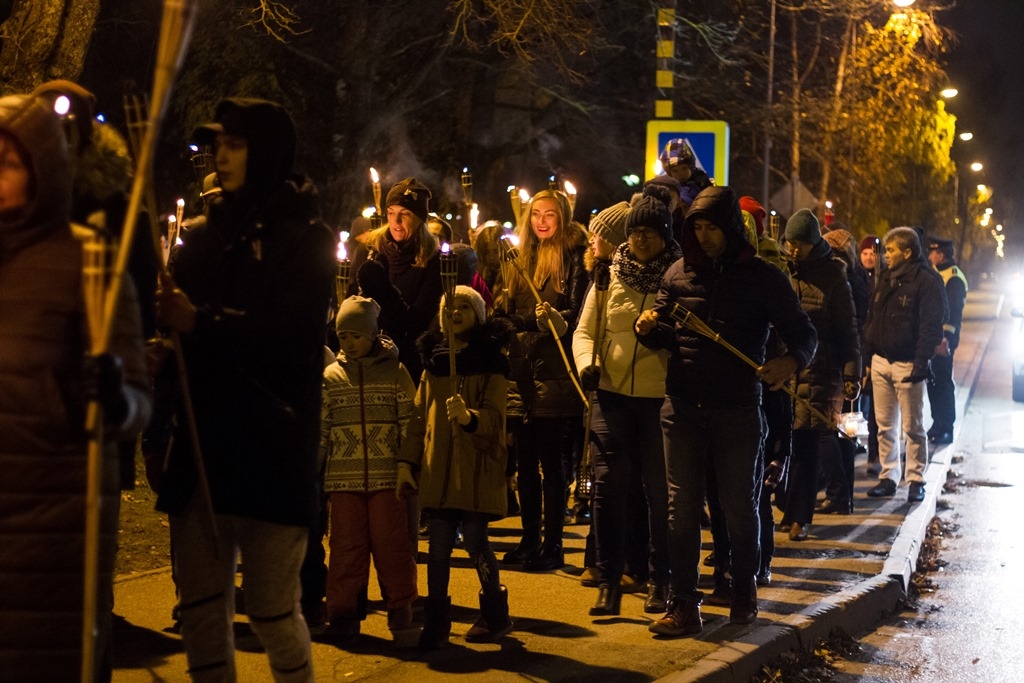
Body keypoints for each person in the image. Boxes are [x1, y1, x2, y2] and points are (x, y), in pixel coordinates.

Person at [154, 97, 335, 682]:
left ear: (267, 153)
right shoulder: (202, 238)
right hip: (204, 450)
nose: (221, 156)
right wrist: (164, 350)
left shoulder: (306, 239)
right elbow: (182, 337)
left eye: (235, 145)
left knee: (272, 611)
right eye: (218, 145)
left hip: (272, 450)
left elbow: (293, 338)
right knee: (203, 611)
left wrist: (200, 323)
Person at [0, 89, 151, 681]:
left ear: (44, 168)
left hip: (49, 532)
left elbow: (137, 399)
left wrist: (112, 396)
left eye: (8, 162)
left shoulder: (88, 264)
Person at [635, 186, 817, 636]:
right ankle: (684, 603)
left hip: (737, 409)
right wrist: (648, 329)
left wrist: (789, 362)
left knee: (738, 507)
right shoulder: (678, 273)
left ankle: (743, 590)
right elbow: (666, 333)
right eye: (696, 226)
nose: (704, 235)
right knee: (680, 510)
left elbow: (803, 334)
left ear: (732, 228)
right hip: (682, 407)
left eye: (711, 226)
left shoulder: (762, 277)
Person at [572, 194, 682, 618]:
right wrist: (588, 365)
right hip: (612, 396)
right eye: (634, 232)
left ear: (664, 237)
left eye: (649, 233)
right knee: (608, 489)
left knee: (659, 494)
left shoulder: (676, 278)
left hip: (658, 401)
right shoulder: (607, 276)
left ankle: (660, 580)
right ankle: (609, 581)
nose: (639, 240)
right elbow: (585, 331)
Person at [397, 286, 516, 649]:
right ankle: (437, 622)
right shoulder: (434, 364)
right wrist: (407, 462)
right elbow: (419, 419)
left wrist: (469, 418)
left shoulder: (491, 362)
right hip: (439, 472)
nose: (456, 313)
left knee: (477, 543)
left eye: (465, 307)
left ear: (479, 315)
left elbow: (496, 420)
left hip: (475, 472)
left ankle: (495, 614)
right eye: (449, 307)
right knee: (437, 548)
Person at [497, 188, 589, 572]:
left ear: (562, 217)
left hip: (554, 372)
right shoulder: (521, 259)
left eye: (550, 214)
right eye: (536, 213)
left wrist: (547, 319)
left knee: (551, 465)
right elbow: (510, 308)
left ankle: (553, 544)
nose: (542, 221)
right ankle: (529, 538)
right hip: (522, 373)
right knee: (524, 463)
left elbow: (575, 310)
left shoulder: (573, 258)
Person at [319, 296, 419, 641]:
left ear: (373, 334)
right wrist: (314, 467)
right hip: (343, 478)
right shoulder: (331, 376)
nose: (349, 343)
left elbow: (410, 422)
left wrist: (408, 463)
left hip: (387, 477)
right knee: (346, 546)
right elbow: (323, 426)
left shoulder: (395, 372)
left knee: (392, 544)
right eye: (343, 337)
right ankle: (343, 612)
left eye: (357, 336)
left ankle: (401, 606)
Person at [778, 210, 860, 541]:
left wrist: (851, 373)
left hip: (819, 372)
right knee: (785, 444)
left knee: (808, 444)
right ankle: (787, 509)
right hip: (782, 370)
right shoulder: (781, 271)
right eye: (790, 243)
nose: (794, 250)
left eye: (801, 245)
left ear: (815, 244)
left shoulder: (833, 278)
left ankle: (801, 516)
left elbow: (847, 331)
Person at [863, 227, 945, 503]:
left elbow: (930, 326)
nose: (885, 255)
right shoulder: (885, 278)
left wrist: (921, 363)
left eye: (890, 250)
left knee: (913, 426)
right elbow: (872, 317)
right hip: (881, 362)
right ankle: (889, 475)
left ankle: (916, 479)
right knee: (885, 425)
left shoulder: (926, 282)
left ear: (907, 252)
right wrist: (869, 356)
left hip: (908, 364)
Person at [357, 177, 443, 385]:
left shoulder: (433, 260)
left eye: (404, 214)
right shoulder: (370, 249)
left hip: (407, 361)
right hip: (367, 356)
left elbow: (418, 321)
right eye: (391, 213)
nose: (396, 222)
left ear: (420, 218)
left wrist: (384, 293)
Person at [817, 228, 872, 515]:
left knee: (832, 428)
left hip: (840, 364)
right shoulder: (858, 278)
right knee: (845, 431)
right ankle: (844, 495)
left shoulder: (843, 280)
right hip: (850, 363)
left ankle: (839, 493)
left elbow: (851, 328)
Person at [925, 235, 967, 446]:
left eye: (933, 252)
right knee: (932, 382)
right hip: (932, 337)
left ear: (941, 254)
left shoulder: (954, 277)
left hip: (943, 340)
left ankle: (946, 426)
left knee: (942, 381)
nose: (930, 255)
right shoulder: (935, 273)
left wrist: (945, 339)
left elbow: (953, 313)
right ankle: (937, 423)